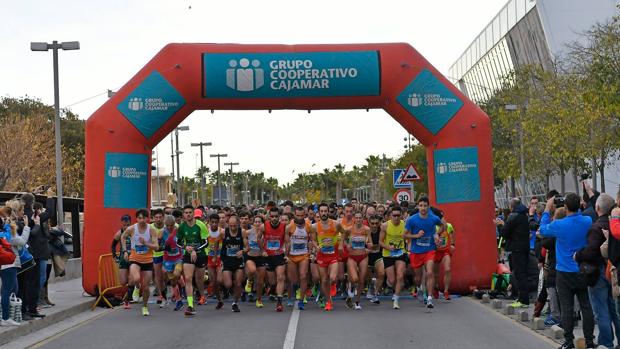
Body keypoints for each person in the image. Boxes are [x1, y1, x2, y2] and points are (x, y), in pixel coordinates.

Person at [540, 192, 595, 349]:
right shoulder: (586, 221)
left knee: (567, 307)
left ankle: (568, 342)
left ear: (564, 207)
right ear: (579, 206)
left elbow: (543, 229)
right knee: (586, 306)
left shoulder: (560, 225)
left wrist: (547, 209)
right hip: (582, 270)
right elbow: (588, 213)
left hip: (564, 271)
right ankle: (590, 341)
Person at [575, 193, 620, 349]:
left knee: (601, 310)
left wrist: (578, 255)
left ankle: (606, 342)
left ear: (597, 208)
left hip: (598, 272)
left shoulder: (596, 227)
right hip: (611, 270)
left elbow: (592, 251)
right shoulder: (613, 224)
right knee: (613, 309)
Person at [404, 197, 444, 309]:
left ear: (428, 206)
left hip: (429, 250)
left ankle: (430, 299)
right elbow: (404, 235)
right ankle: (419, 288)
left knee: (430, 272)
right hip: (416, 251)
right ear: (418, 206)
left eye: (425, 206)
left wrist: (437, 234)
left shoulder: (433, 218)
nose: (423, 208)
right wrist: (415, 236)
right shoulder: (412, 219)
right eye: (421, 205)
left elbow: (443, 225)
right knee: (417, 278)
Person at [120, 209, 158, 316]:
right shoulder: (132, 228)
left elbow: (156, 247)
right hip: (135, 259)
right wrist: (125, 251)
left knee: (145, 287)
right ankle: (137, 286)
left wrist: (146, 243)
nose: (142, 220)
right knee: (136, 278)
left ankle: (145, 306)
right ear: (137, 219)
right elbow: (123, 237)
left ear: (148, 219)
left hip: (148, 261)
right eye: (139, 218)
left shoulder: (151, 230)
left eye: (144, 218)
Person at [313, 203, 347, 311]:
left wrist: (341, 244)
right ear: (318, 212)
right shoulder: (314, 226)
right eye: (321, 211)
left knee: (332, 278)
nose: (323, 213)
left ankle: (332, 287)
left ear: (328, 212)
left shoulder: (336, 224)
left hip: (333, 255)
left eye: (325, 211)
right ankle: (328, 301)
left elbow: (344, 233)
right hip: (321, 256)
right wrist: (316, 246)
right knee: (324, 280)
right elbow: (313, 240)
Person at [176, 205, 208, 316]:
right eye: (186, 212)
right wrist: (186, 248)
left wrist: (195, 249)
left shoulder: (201, 225)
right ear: (183, 215)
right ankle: (190, 306)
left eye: (190, 212)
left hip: (201, 255)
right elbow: (178, 242)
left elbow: (206, 242)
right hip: (188, 255)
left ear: (193, 213)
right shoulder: (181, 227)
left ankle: (202, 295)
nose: (188, 214)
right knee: (188, 278)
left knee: (199, 279)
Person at [0, 206, 29, 326]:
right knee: (7, 290)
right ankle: (5, 318)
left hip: (7, 264)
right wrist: (26, 226)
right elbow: (22, 241)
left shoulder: (4, 231)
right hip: (9, 264)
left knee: (13, 289)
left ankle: (6, 314)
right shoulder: (7, 233)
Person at [501, 198, 531, 308]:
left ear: (511, 206)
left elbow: (505, 231)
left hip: (517, 249)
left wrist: (501, 224)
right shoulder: (524, 215)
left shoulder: (513, 216)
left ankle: (523, 300)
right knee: (523, 273)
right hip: (524, 247)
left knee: (519, 274)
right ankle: (523, 298)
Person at [341, 211, 372, 310]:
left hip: (363, 256)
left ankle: (357, 302)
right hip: (352, 256)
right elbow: (344, 240)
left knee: (362, 280)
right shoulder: (349, 229)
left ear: (363, 219)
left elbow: (370, 242)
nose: (358, 220)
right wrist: (347, 245)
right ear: (354, 219)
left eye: (360, 218)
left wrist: (369, 247)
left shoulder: (367, 229)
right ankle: (350, 286)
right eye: (357, 218)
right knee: (355, 278)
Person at [379, 205, 407, 309]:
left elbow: (408, 236)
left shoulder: (404, 224)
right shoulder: (385, 226)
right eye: (394, 215)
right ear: (390, 216)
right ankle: (389, 284)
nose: (396, 217)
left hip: (400, 252)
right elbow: (380, 242)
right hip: (388, 254)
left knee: (400, 276)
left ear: (401, 216)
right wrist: (387, 247)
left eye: (398, 215)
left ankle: (396, 298)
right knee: (392, 280)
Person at [285, 206, 312, 310]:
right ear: (294, 215)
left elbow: (312, 240)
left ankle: (301, 300)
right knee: (294, 280)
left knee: (303, 276)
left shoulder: (309, 226)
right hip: (292, 256)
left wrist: (311, 251)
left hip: (304, 255)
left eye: (302, 215)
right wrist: (286, 256)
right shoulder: (289, 227)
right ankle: (293, 293)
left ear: (304, 215)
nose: (300, 217)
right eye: (298, 215)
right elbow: (287, 243)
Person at [263, 206, 287, 312]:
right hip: (268, 256)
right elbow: (258, 238)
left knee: (280, 277)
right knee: (272, 282)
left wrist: (287, 253)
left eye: (276, 216)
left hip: (279, 255)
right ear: (269, 217)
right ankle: (272, 289)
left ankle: (279, 302)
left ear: (279, 216)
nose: (274, 218)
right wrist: (262, 250)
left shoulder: (283, 226)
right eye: (272, 216)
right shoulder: (264, 226)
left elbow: (287, 241)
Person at [220, 216, 245, 313]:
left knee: (238, 283)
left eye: (234, 225)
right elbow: (216, 242)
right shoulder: (223, 232)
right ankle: (230, 290)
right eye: (230, 225)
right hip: (227, 261)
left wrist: (242, 251)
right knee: (228, 284)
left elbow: (247, 247)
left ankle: (235, 303)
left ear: (238, 224)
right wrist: (216, 256)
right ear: (228, 224)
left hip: (238, 261)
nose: (233, 227)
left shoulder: (241, 232)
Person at [161, 215, 184, 311]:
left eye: (172, 225)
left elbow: (184, 242)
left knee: (176, 274)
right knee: (173, 282)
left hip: (179, 258)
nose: (170, 227)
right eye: (167, 225)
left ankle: (182, 286)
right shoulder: (162, 232)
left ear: (174, 224)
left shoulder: (178, 230)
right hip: (168, 260)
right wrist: (164, 247)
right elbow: (158, 244)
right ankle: (179, 301)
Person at [243, 215, 267, 308]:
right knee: (252, 270)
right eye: (255, 222)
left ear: (262, 224)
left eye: (259, 222)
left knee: (260, 282)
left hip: (260, 258)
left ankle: (259, 300)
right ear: (253, 223)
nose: (257, 224)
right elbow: (244, 243)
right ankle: (249, 280)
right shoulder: (247, 232)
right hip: (250, 256)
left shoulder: (265, 233)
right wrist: (245, 249)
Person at [111, 214, 133, 309]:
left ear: (130, 223)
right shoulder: (119, 233)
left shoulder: (134, 231)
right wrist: (114, 255)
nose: (125, 227)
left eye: (127, 225)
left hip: (133, 258)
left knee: (132, 279)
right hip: (123, 259)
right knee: (123, 282)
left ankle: (127, 300)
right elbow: (113, 245)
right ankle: (134, 285)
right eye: (124, 225)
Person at [206, 213, 224, 310]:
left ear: (218, 223)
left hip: (220, 258)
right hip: (210, 258)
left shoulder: (222, 232)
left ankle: (224, 290)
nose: (214, 224)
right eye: (212, 222)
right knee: (213, 282)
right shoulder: (206, 231)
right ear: (209, 222)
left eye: (215, 222)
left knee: (219, 280)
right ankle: (219, 300)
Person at [433, 220, 455, 301]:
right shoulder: (433, 226)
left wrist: (452, 244)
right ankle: (436, 287)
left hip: (445, 251)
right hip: (435, 251)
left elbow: (451, 235)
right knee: (436, 274)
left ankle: (446, 291)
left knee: (448, 269)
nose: (442, 219)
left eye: (442, 217)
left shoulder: (448, 225)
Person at [150, 209, 167, 307]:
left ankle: (178, 290)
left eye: (160, 217)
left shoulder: (170, 225)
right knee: (158, 277)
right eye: (156, 217)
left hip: (168, 255)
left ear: (163, 218)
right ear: (153, 218)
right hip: (156, 254)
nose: (158, 219)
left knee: (166, 273)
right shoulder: (150, 227)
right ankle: (162, 295)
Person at [367, 214, 385, 304]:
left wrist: (373, 246)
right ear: (369, 223)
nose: (374, 225)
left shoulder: (382, 230)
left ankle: (375, 294)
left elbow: (379, 245)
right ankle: (370, 286)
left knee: (381, 273)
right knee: (368, 276)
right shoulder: (366, 230)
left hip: (378, 255)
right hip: (367, 256)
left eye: (376, 223)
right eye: (372, 223)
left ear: (379, 223)